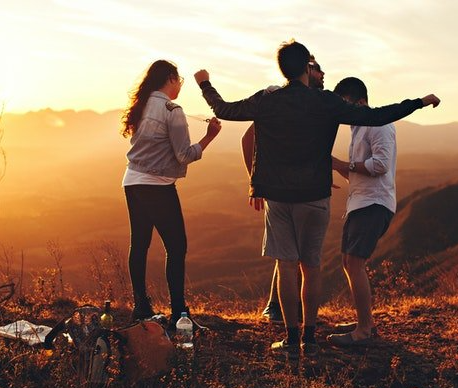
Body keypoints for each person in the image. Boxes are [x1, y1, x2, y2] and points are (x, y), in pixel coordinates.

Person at [194, 40, 440, 359]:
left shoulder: (268, 100)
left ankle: (291, 340)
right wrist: (419, 102)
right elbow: (378, 116)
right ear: (306, 68)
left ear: (283, 68)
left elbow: (224, 109)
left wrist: (205, 84)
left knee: (286, 267)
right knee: (312, 267)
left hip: (279, 197)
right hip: (315, 195)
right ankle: (310, 338)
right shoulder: (325, 102)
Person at [121, 60, 221, 331]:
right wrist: (210, 136)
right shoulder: (172, 110)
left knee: (140, 244)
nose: (179, 87)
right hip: (158, 185)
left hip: (132, 181)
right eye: (179, 81)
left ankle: (141, 307)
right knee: (176, 247)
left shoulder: (142, 105)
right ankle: (179, 314)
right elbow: (184, 155)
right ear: (170, 79)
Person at [241, 55, 325, 324]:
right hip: (281, 188)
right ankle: (277, 308)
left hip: (301, 186)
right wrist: (255, 181)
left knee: (293, 255)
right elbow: (248, 137)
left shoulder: (312, 103)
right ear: (305, 71)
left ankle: (287, 312)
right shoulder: (279, 99)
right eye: (317, 69)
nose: (324, 74)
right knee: (288, 256)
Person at [326, 77, 398, 347]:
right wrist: (335, 166)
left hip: (374, 204)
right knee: (349, 262)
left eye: (343, 104)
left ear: (359, 101)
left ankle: (364, 330)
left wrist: (345, 163)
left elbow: (379, 165)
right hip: (360, 202)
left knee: (354, 263)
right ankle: (363, 321)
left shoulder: (377, 124)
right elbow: (358, 172)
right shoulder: (358, 127)